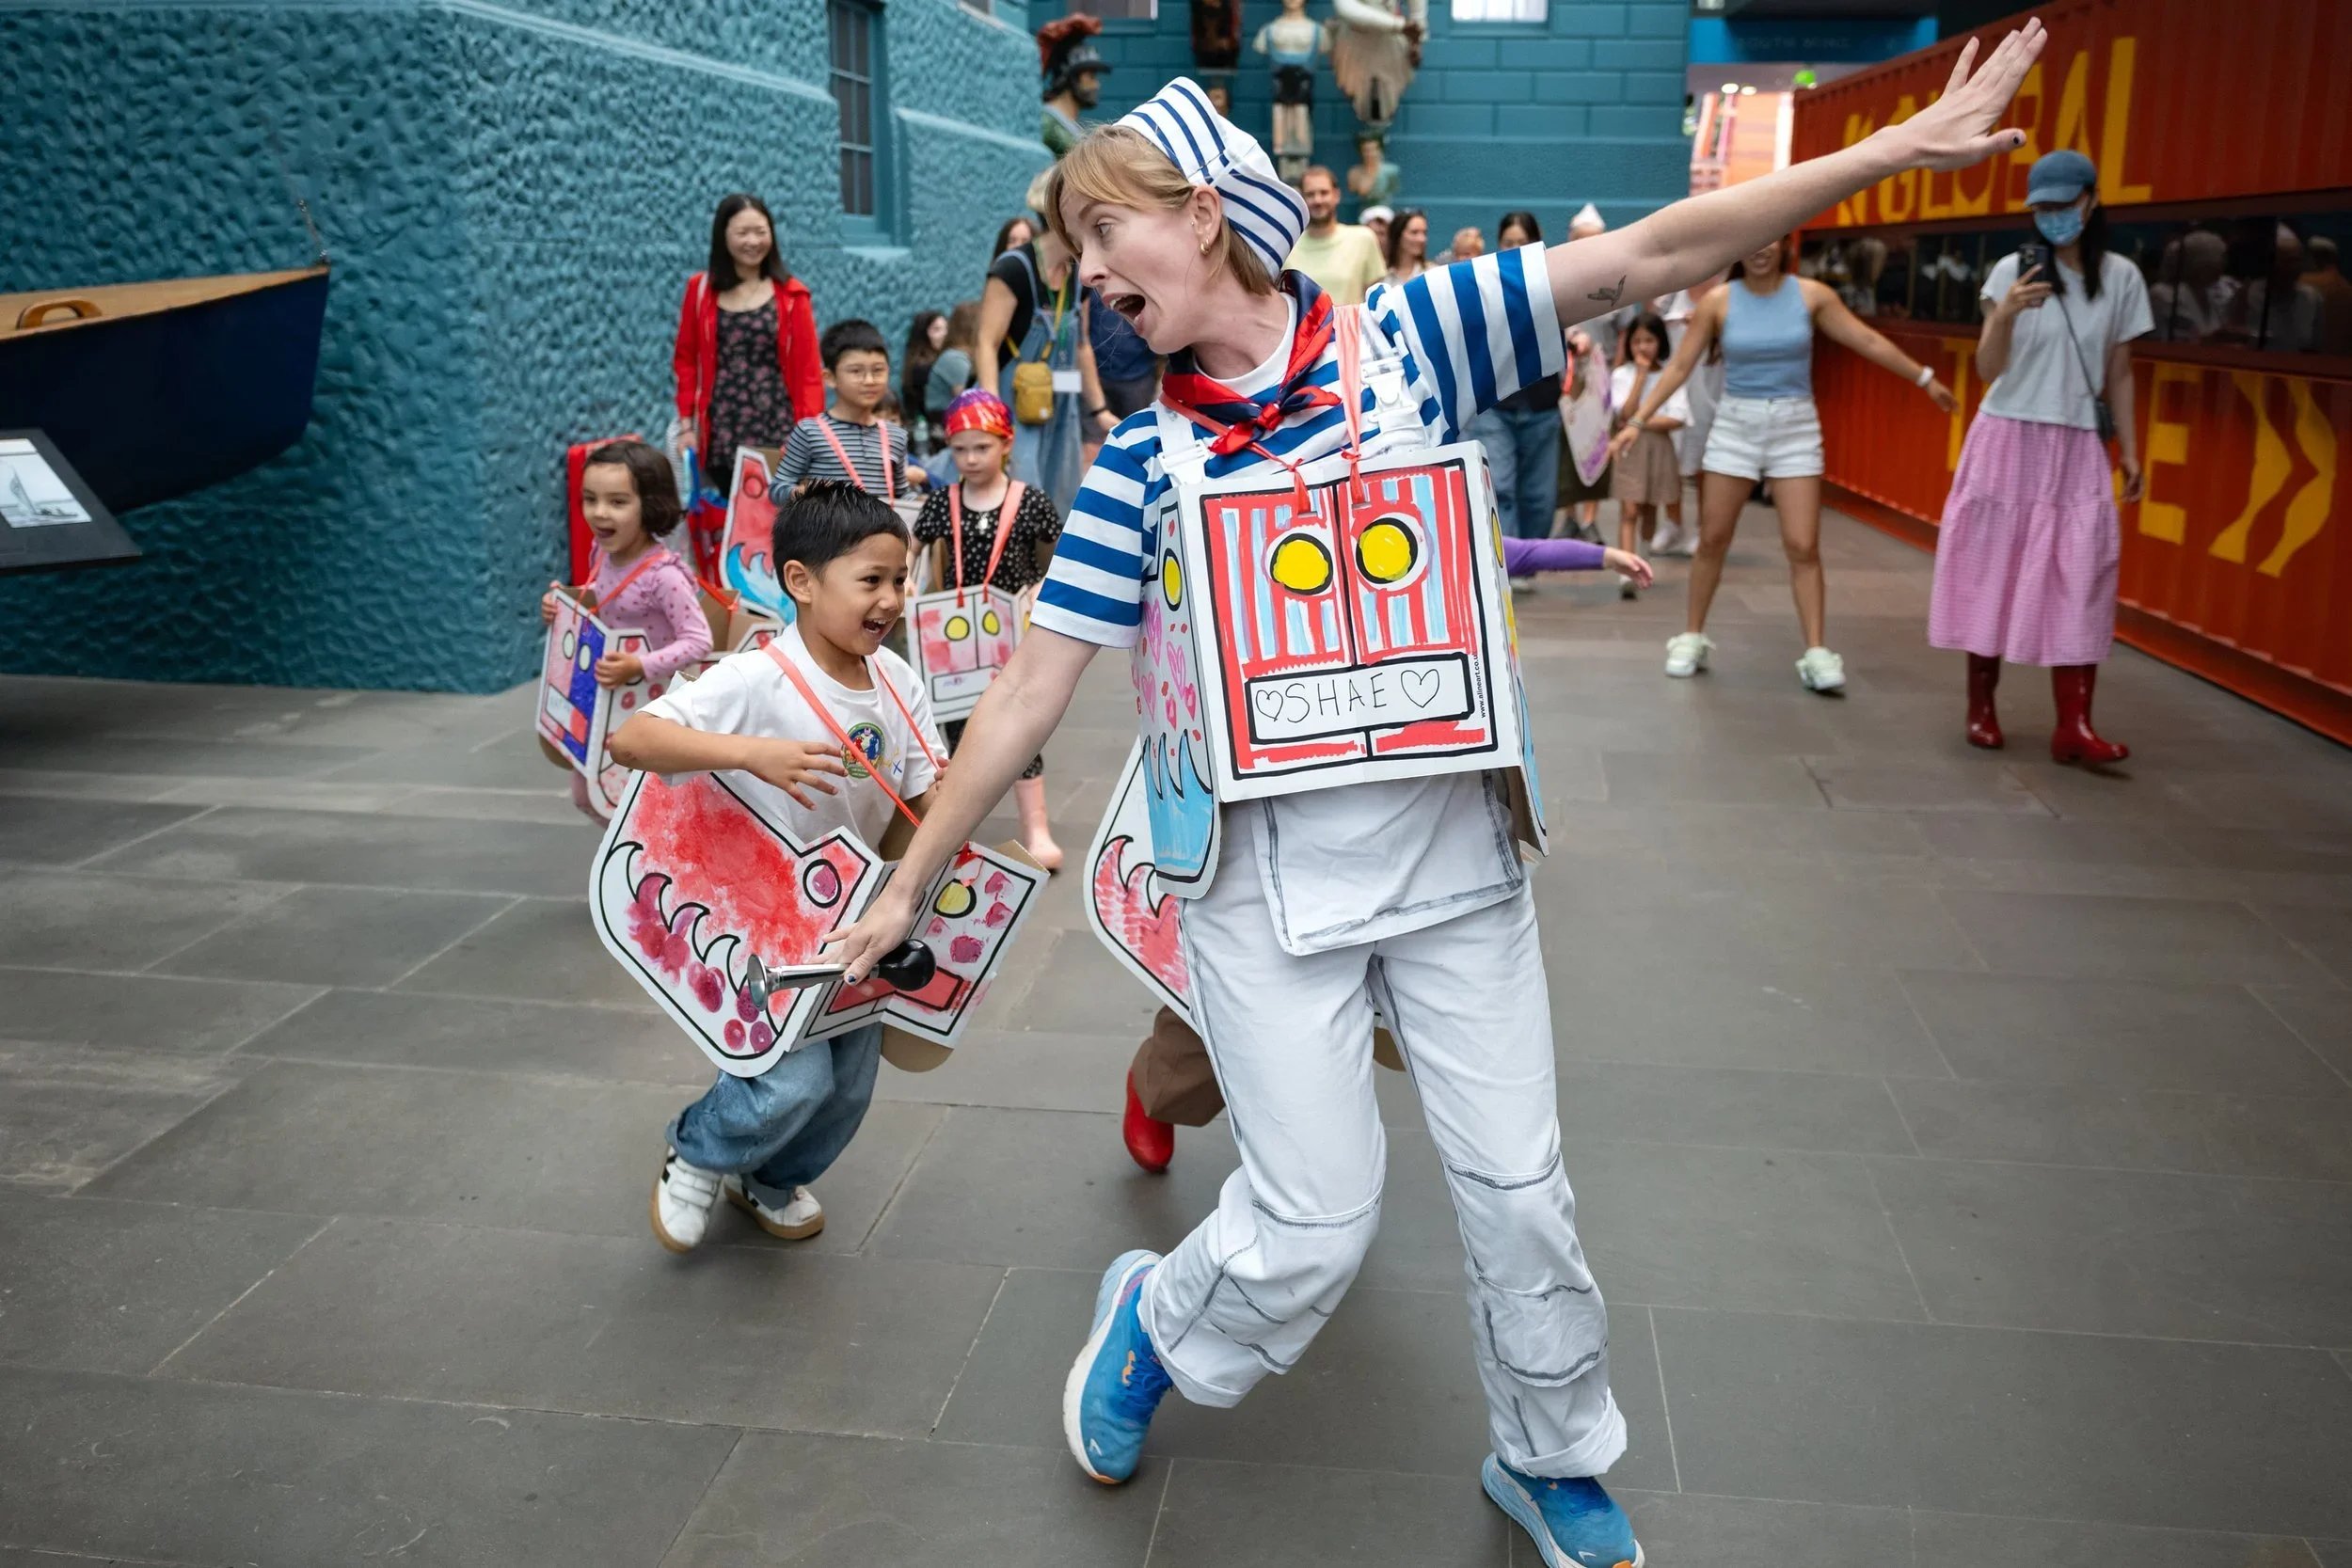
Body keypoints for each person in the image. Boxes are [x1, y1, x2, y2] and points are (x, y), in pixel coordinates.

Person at [819, 37, 2044, 1564]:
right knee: (1317, 1224)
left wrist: (1896, 148)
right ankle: (1156, 1317)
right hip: (1262, 891)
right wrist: (903, 878)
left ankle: (1550, 1455)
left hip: (1456, 854)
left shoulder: (1420, 330)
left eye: (1100, 234)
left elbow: (1657, 250)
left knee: (1522, 1192)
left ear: (1201, 213)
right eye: (1072, 252)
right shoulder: (1137, 464)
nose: (1085, 275)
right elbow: (1023, 692)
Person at [610, 480, 943, 1253]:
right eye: (871, 580)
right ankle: (698, 1149)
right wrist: (751, 752)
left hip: (858, 919)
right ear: (801, 581)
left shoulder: (900, 679)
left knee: (849, 1089)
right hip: (761, 917)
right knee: (792, 1081)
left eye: (900, 579)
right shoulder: (757, 677)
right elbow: (636, 741)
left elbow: (926, 789)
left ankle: (766, 1179)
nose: (892, 598)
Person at [1614, 231, 1958, 689]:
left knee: (1803, 545)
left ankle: (1817, 652)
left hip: (1795, 426)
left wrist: (1926, 378)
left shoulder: (1812, 295)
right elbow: (1679, 367)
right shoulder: (1720, 302)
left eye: (1770, 240)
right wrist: (1638, 420)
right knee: (1713, 538)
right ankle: (1691, 636)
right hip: (1736, 424)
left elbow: (1866, 340)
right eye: (1753, 240)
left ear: (1783, 247)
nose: (1760, 249)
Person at [1930, 149, 2152, 766]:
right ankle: (1982, 708)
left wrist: (2131, 450)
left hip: (2078, 440)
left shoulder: (2122, 278)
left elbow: (2122, 372)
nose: (2053, 216)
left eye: (2064, 204)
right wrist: (2003, 314)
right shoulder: (2009, 271)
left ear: (2091, 200)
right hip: (2007, 437)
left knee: (2081, 573)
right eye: (2042, 208)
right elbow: (1986, 368)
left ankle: (2074, 725)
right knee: (1992, 566)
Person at [910, 389, 1066, 867]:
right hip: (954, 640)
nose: (970, 458)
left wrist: (1042, 586)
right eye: (960, 449)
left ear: (1005, 443)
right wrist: (905, 587)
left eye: (981, 447)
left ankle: (1036, 829)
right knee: (959, 730)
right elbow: (912, 549)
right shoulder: (941, 503)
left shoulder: (1031, 502)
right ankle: (957, 832)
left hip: (1011, 636)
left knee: (1020, 725)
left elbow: (1058, 555)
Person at [540, 440, 715, 820]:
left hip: (652, 703)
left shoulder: (663, 576)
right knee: (587, 793)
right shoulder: (600, 554)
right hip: (609, 697)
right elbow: (601, 604)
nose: (600, 513)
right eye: (590, 499)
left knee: (632, 803)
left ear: (650, 506)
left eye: (618, 502)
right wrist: (563, 606)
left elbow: (699, 638)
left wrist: (640, 665)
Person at [672, 194, 825, 577]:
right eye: (742, 232)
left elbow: (809, 372)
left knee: (778, 522)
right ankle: (734, 608)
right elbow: (686, 359)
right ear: (723, 236)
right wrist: (687, 424)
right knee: (726, 521)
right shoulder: (701, 290)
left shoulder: (791, 295)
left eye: (761, 231)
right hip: (721, 429)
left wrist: (809, 434)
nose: (753, 240)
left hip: (778, 429)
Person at [976, 228, 1114, 513]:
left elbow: (1081, 345)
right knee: (1019, 496)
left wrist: (1100, 411)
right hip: (1013, 407)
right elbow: (986, 343)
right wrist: (992, 412)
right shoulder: (1013, 269)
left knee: (1061, 496)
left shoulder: (1079, 276)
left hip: (1061, 408)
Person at [1467, 211, 1563, 561]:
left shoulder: (1555, 282)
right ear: (1498, 245)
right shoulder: (1484, 284)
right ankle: (1509, 562)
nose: (1516, 249)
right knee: (1501, 487)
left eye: (1523, 243)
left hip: (1542, 406)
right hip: (1496, 406)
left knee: (1540, 497)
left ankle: (1531, 554)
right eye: (1509, 243)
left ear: (1537, 244)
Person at [771, 321, 916, 499]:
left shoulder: (896, 436)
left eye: (878, 370)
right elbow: (777, 488)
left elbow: (901, 494)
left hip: (880, 527)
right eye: (856, 371)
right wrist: (809, 493)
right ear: (830, 378)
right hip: (826, 527)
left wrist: (922, 503)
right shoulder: (810, 431)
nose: (869, 380)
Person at [1607, 313, 1686, 600]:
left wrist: (1638, 423)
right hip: (1631, 449)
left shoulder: (1670, 373)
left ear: (1660, 342)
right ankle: (1626, 568)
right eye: (1637, 340)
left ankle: (1641, 555)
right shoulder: (1621, 375)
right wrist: (1640, 377)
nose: (1642, 347)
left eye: (1649, 340)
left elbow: (1677, 417)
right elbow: (1623, 412)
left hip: (1659, 449)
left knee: (1651, 506)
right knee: (1629, 509)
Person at [1285, 166, 1388, 306]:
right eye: (1310, 194)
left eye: (1324, 193)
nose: (1318, 200)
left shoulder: (1363, 239)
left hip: (1352, 327)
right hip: (1303, 327)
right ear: (1301, 199)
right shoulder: (1287, 247)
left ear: (1337, 195)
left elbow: (1377, 302)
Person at [1038, 16, 1114, 158]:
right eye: (1090, 77)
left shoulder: (1070, 127)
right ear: (1071, 78)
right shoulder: (1046, 124)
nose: (1096, 84)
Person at [900, 310, 947, 451]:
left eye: (946, 329)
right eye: (937, 329)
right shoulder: (923, 368)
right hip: (930, 437)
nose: (945, 334)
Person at [1381, 206, 1431, 284]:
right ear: (1398, 235)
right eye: (1414, 232)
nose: (1422, 239)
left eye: (1424, 233)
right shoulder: (1381, 275)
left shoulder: (1432, 273)